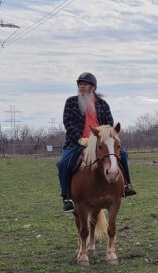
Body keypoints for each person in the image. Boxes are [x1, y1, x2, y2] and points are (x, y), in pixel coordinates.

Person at [57, 72, 136, 212]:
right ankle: (67, 197)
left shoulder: (102, 104)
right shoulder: (71, 102)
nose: (82, 86)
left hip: (101, 142)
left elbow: (109, 124)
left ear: (93, 87)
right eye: (80, 84)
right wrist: (80, 139)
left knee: (122, 154)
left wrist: (103, 138)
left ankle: (126, 185)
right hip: (77, 143)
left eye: (85, 84)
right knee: (63, 163)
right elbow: (68, 123)